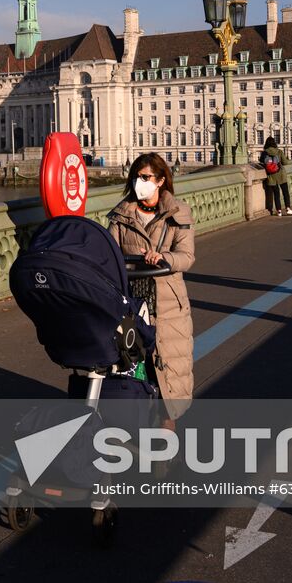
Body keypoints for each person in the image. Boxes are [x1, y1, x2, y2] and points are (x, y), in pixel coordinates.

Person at [108, 153, 195, 420]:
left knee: (170, 373)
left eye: (146, 177)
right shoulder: (121, 215)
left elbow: (187, 256)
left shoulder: (178, 213)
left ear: (160, 181)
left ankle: (166, 444)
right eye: (136, 176)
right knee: (133, 368)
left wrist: (165, 258)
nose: (140, 182)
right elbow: (109, 256)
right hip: (133, 302)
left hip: (168, 302)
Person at [257, 137, 292, 216]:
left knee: (276, 194)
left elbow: (261, 161)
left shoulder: (264, 153)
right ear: (274, 143)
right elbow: (285, 163)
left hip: (271, 176)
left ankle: (279, 211)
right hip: (281, 174)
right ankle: (288, 208)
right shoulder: (279, 151)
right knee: (285, 192)